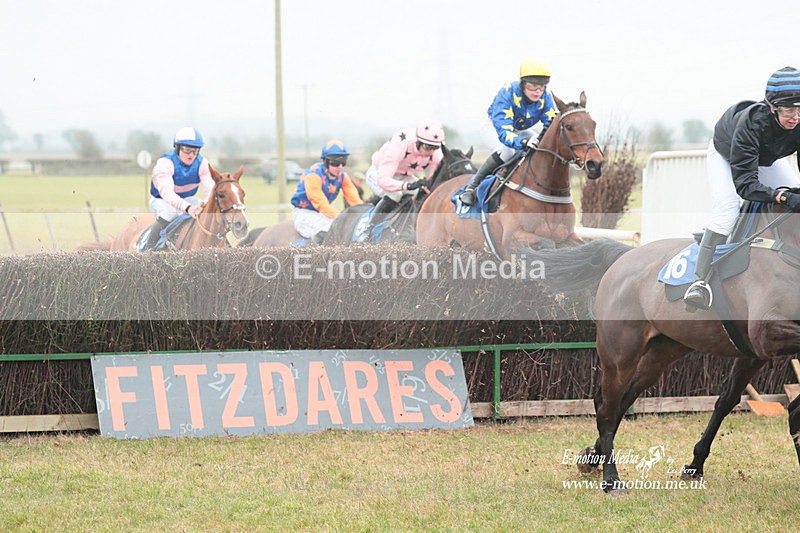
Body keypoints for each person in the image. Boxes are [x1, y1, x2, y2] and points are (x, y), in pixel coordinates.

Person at [684, 66, 800, 310]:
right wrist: (780, 196)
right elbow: (746, 185)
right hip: (727, 154)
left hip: (766, 156)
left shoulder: (798, 120)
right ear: (772, 108)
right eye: (790, 110)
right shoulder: (751, 124)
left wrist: (791, 194)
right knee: (727, 210)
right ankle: (700, 282)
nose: (796, 117)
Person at [459, 57, 558, 206]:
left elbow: (552, 124)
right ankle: (471, 188)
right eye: (532, 86)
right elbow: (504, 132)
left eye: (542, 86)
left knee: (541, 147)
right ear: (523, 83)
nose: (538, 91)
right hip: (495, 128)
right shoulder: (506, 93)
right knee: (507, 152)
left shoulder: (546, 97)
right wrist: (524, 141)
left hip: (520, 129)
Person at [141, 126, 213, 251]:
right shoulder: (165, 163)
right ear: (177, 148)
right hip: (162, 200)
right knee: (169, 214)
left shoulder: (202, 163)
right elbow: (168, 194)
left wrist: (207, 205)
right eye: (187, 150)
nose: (191, 155)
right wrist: (188, 208)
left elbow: (210, 188)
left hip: (187, 198)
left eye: (195, 151)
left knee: (207, 213)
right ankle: (148, 248)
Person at [365, 120, 445, 230]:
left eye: (435, 148)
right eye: (427, 147)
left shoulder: (435, 151)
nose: (431, 152)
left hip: (404, 176)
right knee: (396, 195)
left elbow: (434, 181)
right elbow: (383, 180)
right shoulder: (401, 143)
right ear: (418, 142)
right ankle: (368, 229)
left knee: (422, 194)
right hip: (378, 174)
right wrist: (407, 186)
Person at [290, 139, 363, 243]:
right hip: (304, 213)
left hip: (323, 214)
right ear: (326, 161)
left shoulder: (343, 177)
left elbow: (355, 200)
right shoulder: (313, 175)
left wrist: (365, 215)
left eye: (343, 162)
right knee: (328, 233)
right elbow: (320, 203)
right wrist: (340, 217)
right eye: (336, 162)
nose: (340, 167)